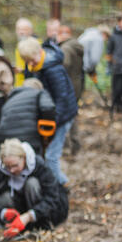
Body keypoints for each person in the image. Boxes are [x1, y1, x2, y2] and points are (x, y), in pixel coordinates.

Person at [17, 37, 76, 185]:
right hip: (49, 115)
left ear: (39, 52)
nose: (30, 64)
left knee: (51, 156)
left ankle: (61, 185)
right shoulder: (35, 68)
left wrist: (54, 122)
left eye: (32, 60)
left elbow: (62, 98)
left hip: (62, 115)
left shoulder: (52, 69)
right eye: (27, 61)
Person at [0, 138, 68, 238]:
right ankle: (12, 228)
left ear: (23, 158)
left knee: (32, 184)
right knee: (3, 195)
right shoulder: (1, 172)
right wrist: (3, 212)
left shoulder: (39, 166)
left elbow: (53, 197)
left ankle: (41, 227)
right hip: (18, 210)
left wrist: (29, 216)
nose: (12, 170)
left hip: (40, 212)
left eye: (15, 165)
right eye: (8, 167)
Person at [0, 78, 56, 156]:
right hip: (30, 139)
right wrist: (47, 137)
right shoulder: (39, 93)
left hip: (6, 139)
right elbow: (48, 109)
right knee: (34, 163)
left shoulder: (11, 98)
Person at [57, 24, 85, 154]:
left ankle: (70, 143)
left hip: (68, 86)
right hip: (77, 84)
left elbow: (65, 64)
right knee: (72, 113)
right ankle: (74, 143)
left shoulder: (66, 48)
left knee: (68, 114)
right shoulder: (76, 46)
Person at [78, 24, 112, 89]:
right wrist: (91, 69)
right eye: (107, 37)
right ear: (104, 34)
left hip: (77, 64)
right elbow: (94, 59)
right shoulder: (98, 39)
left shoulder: (89, 33)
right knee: (79, 89)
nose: (105, 40)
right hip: (82, 66)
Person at [13, 17, 36, 86]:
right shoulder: (18, 45)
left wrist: (23, 71)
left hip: (30, 84)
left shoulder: (36, 45)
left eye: (24, 29)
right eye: (19, 29)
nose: (21, 32)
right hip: (19, 85)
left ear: (31, 31)